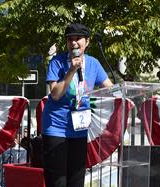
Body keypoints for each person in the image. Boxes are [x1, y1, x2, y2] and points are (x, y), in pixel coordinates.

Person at [41, 23, 113, 187]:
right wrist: (72, 70)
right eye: (70, 40)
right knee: (58, 181)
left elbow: (110, 89)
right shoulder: (57, 62)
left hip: (79, 129)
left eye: (78, 39)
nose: (73, 43)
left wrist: (125, 90)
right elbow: (55, 94)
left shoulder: (93, 63)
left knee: (76, 181)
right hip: (56, 128)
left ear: (87, 42)